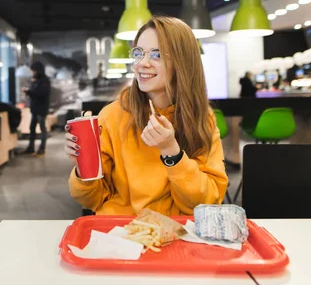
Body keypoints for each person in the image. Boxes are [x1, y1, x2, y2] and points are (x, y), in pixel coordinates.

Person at [65, 16, 228, 216]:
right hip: (122, 234)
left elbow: (207, 203)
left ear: (182, 63)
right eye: (138, 53)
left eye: (156, 55)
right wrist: (84, 166)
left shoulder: (202, 118)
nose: (142, 63)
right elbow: (93, 199)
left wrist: (172, 153)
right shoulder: (113, 115)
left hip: (180, 234)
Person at [21, 61, 51, 156]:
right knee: (32, 128)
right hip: (34, 109)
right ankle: (31, 148)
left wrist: (29, 92)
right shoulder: (35, 80)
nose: (33, 72)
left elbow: (41, 94)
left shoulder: (44, 81)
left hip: (41, 109)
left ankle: (42, 149)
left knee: (42, 129)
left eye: (34, 71)